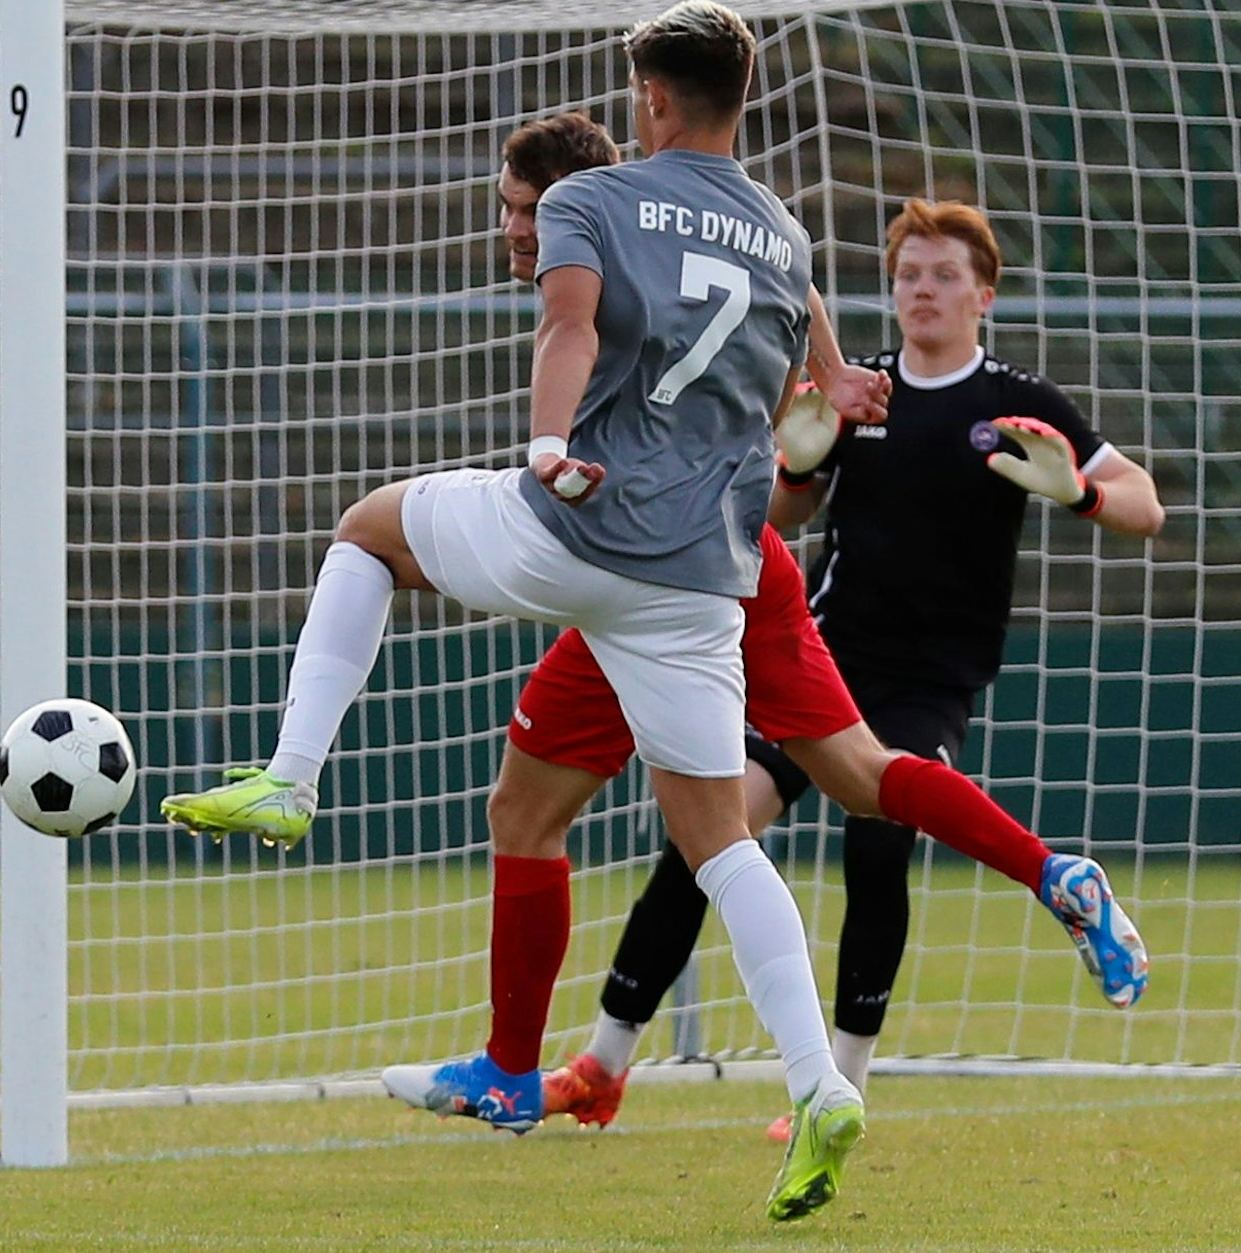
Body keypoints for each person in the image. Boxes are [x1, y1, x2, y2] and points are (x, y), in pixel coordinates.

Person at [161, 3, 887, 1222]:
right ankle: (819, 1083)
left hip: (576, 523)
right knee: (720, 839)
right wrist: (830, 385)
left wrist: (548, 446)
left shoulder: (591, 198)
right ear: (739, 97)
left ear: (649, 100)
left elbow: (566, 322)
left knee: (368, 530)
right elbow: (802, 369)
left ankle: (290, 774)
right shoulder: (781, 233)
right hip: (700, 579)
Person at [545, 197, 1168, 1140]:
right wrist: (796, 469)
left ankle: (837, 1085)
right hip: (825, 660)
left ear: (983, 295)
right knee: (710, 836)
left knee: (878, 847)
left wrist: (1079, 490)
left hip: (930, 682)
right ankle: (605, 1060)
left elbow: (1145, 504)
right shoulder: (858, 389)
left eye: (945, 274)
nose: (923, 288)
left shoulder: (1020, 403)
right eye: (909, 272)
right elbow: (784, 521)